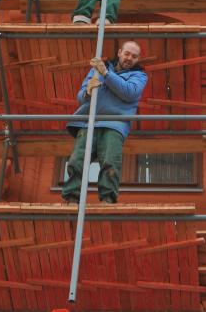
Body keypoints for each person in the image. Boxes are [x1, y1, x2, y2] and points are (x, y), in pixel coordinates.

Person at [62, 41, 148, 204]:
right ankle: (72, 196)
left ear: (138, 59)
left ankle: (107, 198)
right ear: (120, 52)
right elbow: (80, 97)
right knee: (77, 160)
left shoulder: (139, 75)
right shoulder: (97, 69)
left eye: (134, 56)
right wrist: (87, 92)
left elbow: (129, 92)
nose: (129, 58)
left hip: (114, 124)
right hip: (89, 121)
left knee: (110, 161)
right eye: (127, 54)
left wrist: (106, 74)